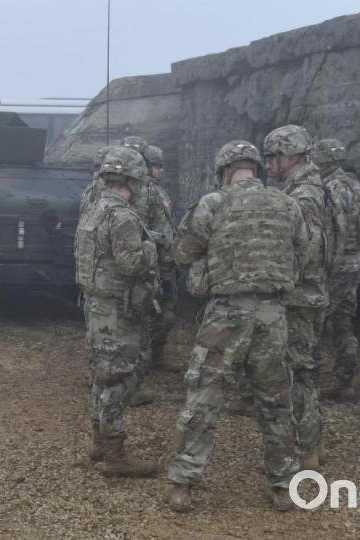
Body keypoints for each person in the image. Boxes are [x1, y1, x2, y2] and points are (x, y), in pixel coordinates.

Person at [166, 140, 307, 512]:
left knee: (204, 395)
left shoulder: (213, 204)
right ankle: (283, 486)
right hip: (273, 314)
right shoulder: (288, 205)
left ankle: (183, 484)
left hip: (226, 313)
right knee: (276, 401)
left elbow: (182, 252)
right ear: (256, 168)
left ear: (225, 170)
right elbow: (303, 253)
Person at [74, 146, 159, 478]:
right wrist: (150, 248)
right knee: (120, 379)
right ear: (132, 180)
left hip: (95, 305)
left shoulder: (92, 210)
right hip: (117, 310)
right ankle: (115, 456)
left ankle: (99, 442)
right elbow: (131, 264)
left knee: (101, 375)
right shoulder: (122, 216)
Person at [263, 124, 333, 471]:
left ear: (290, 155)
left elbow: (308, 248)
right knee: (304, 372)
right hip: (307, 293)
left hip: (299, 297)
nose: (268, 164)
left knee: (297, 374)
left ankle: (305, 454)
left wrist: (276, 274)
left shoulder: (303, 195)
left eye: (273, 157)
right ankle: (313, 445)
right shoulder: (309, 188)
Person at [311, 138, 360, 400]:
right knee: (342, 322)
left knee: (315, 319)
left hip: (338, 263)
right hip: (354, 260)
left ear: (323, 160)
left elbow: (336, 229)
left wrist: (328, 262)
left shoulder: (332, 187)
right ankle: (344, 381)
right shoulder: (355, 185)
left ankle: (308, 381)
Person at [121, 136, 177, 406]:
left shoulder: (151, 191)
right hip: (141, 260)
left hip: (155, 259)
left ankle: (151, 359)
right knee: (135, 320)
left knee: (159, 314)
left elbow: (163, 225)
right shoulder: (129, 192)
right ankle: (127, 378)